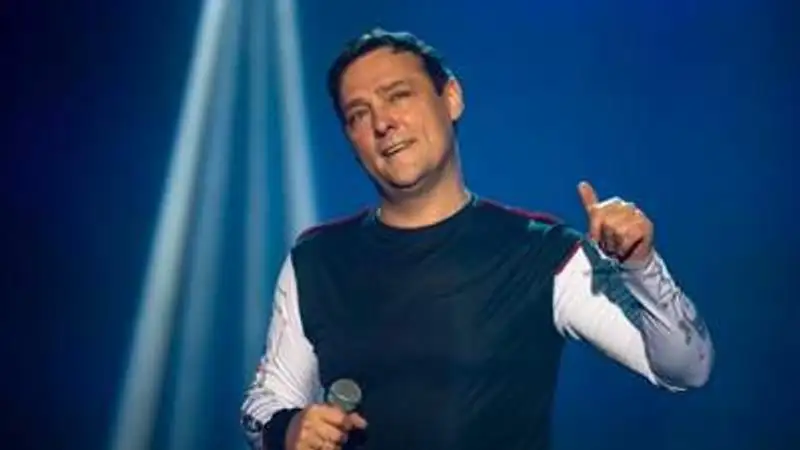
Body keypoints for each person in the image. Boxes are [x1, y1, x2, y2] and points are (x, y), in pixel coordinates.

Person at [240, 28, 714, 450]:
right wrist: (286, 430)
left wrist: (641, 266)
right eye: (358, 114)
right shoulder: (317, 259)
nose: (382, 123)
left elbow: (686, 369)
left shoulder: (543, 253)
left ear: (451, 98)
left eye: (398, 95)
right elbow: (266, 401)